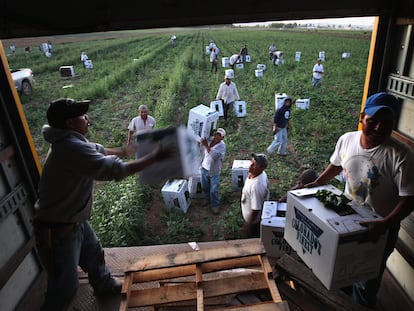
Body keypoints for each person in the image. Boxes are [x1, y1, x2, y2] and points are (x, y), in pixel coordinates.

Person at [34, 98, 171, 311]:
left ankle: (104, 286)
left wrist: (124, 151)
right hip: (57, 229)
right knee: (65, 287)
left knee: (93, 253)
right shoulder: (71, 148)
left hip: (74, 220)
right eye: (81, 115)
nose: (86, 118)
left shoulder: (68, 140)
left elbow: (97, 149)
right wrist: (154, 157)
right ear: (70, 123)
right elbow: (115, 170)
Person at [306, 92, 414, 308]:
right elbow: (337, 164)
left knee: (365, 283)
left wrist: (385, 224)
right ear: (362, 116)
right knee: (341, 272)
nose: (378, 128)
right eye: (373, 121)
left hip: (379, 229)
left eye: (387, 123)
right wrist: (318, 182)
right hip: (347, 219)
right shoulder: (347, 140)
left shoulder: (401, 156)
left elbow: (409, 199)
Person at [241, 153, 270, 238]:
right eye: (251, 162)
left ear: (261, 168)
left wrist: (248, 225)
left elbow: (256, 209)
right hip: (248, 208)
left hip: (254, 222)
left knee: (252, 238)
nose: (250, 166)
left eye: (254, 165)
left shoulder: (257, 186)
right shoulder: (257, 173)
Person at [200, 128, 226, 215]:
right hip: (204, 168)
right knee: (205, 186)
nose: (216, 137)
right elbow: (201, 145)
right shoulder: (209, 139)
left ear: (222, 138)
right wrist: (200, 143)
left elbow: (214, 156)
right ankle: (207, 199)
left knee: (214, 190)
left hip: (214, 171)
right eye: (216, 134)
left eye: (219, 136)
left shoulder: (222, 146)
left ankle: (215, 205)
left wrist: (206, 145)